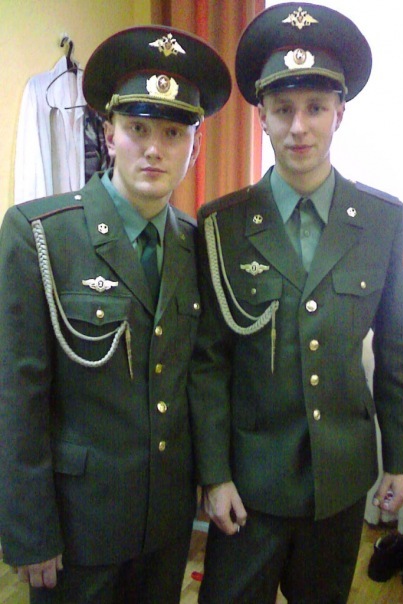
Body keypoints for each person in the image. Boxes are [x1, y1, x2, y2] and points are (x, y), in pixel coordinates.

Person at [188, 4, 403, 603]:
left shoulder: (381, 220)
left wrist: (402, 458)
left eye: (315, 108)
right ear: (261, 116)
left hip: (338, 483)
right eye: (283, 109)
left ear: (340, 114)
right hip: (250, 486)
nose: (299, 127)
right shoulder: (221, 226)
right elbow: (208, 364)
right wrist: (214, 474)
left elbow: (397, 350)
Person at [0, 25, 230, 604]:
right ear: (109, 134)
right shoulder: (40, 235)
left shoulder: (195, 242)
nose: (154, 148)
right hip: (79, 527)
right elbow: (16, 397)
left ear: (194, 146)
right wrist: (29, 530)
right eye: (138, 128)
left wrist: (212, 477)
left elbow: (197, 375)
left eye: (173, 132)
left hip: (166, 522)